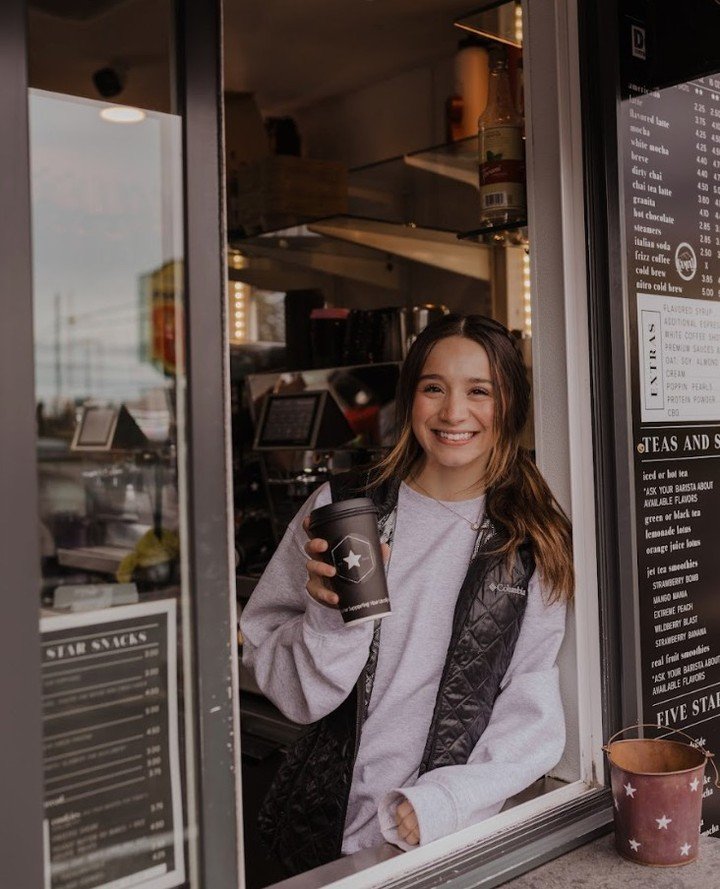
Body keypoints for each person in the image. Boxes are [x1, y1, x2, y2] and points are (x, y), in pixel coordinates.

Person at [240, 313, 574, 876]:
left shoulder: (529, 536)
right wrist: (326, 619)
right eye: (434, 388)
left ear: (509, 406)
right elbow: (290, 687)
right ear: (410, 397)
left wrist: (441, 803)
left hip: (442, 838)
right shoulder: (346, 506)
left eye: (479, 392)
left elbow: (531, 709)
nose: (453, 413)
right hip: (316, 831)